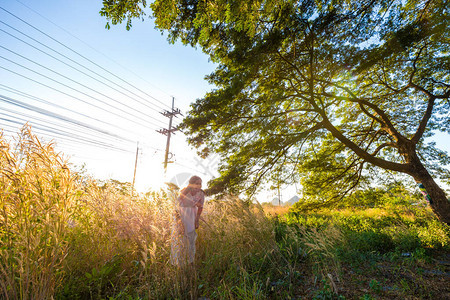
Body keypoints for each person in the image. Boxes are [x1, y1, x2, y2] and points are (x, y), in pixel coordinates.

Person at [170, 175, 205, 266]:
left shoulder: (201, 193)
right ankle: (178, 263)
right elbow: (177, 205)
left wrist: (197, 220)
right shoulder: (184, 191)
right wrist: (179, 221)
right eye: (196, 183)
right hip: (182, 214)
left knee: (191, 238)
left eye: (200, 184)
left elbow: (201, 207)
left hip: (192, 215)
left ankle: (190, 261)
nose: (199, 185)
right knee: (180, 238)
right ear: (191, 184)